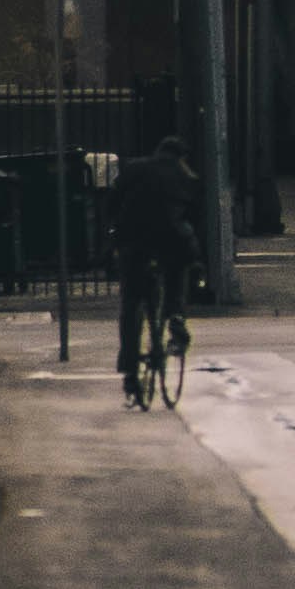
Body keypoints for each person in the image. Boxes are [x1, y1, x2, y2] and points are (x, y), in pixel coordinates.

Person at [105, 131, 199, 397]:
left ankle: (130, 371)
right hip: (171, 243)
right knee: (177, 272)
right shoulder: (186, 176)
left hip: (133, 244)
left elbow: (111, 203)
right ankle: (177, 316)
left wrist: (112, 234)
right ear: (181, 157)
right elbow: (194, 218)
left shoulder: (134, 169)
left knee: (131, 305)